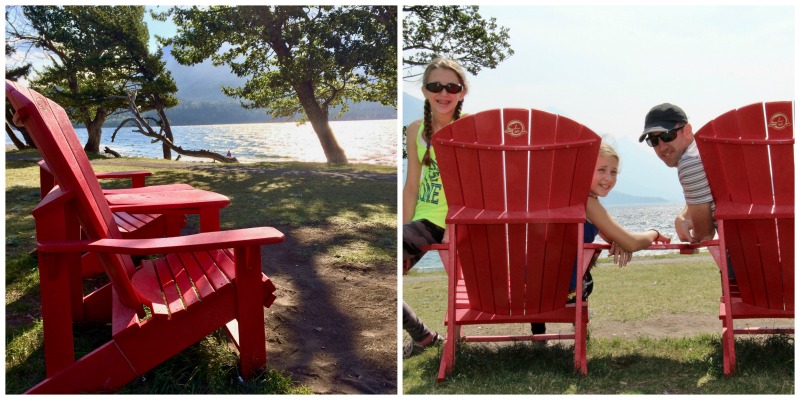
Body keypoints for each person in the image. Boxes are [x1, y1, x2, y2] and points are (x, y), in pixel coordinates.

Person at [531, 141, 672, 336]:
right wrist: (654, 232)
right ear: (583, 171)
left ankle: (538, 335)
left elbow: (609, 233)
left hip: (529, 288)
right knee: (585, 279)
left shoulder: (564, 200)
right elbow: (631, 242)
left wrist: (617, 240)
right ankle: (578, 329)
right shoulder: (587, 202)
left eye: (613, 172)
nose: (608, 178)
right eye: (602, 170)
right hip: (563, 291)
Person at [402, 58, 468, 359]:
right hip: (420, 223)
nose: (444, 93)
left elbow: (475, 189)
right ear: (425, 91)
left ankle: (424, 338)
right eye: (435, 86)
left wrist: (453, 226)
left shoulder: (471, 129)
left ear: (463, 91)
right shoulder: (415, 129)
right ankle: (424, 337)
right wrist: (402, 229)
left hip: (448, 223)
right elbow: (411, 186)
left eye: (452, 86)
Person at [638, 103, 716, 243]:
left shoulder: (690, 163)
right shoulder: (704, 152)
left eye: (668, 135)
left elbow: (705, 235)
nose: (661, 146)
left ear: (687, 131)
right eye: (653, 140)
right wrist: (685, 215)